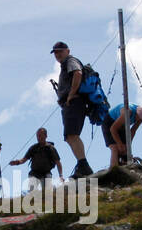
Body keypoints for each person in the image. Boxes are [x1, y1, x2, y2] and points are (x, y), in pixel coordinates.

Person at [50, 42, 93, 179]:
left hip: (74, 102)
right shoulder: (66, 63)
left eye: (60, 51)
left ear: (67, 51)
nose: (57, 55)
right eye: (55, 52)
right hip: (71, 103)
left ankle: (84, 166)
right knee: (70, 136)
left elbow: (77, 73)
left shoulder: (71, 61)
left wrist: (70, 95)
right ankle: (82, 164)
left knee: (72, 135)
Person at [10, 127, 64, 191]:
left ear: (46, 136)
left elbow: (58, 162)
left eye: (41, 135)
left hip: (46, 173)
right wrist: (17, 162)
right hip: (34, 173)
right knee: (32, 191)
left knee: (47, 192)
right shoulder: (33, 148)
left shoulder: (51, 148)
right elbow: (24, 159)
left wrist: (61, 175)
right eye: (38, 136)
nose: (39, 137)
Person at [104, 104, 142, 170]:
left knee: (125, 149)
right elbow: (113, 129)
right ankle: (114, 171)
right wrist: (119, 143)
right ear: (138, 114)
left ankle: (124, 166)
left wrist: (128, 146)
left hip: (123, 125)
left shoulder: (141, 117)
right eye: (141, 118)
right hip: (110, 122)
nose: (140, 120)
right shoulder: (127, 113)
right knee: (115, 148)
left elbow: (133, 130)